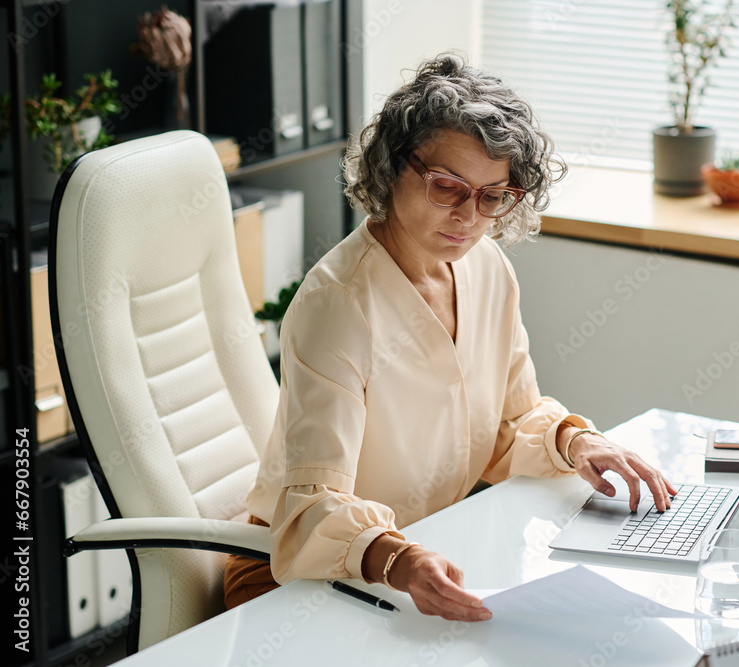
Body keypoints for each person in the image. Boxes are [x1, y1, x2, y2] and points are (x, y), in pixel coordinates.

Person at [223, 53, 676, 622]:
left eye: (493, 197)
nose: (469, 216)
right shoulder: (337, 304)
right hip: (294, 573)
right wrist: (399, 562)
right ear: (391, 168)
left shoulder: (486, 268)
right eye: (447, 187)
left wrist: (575, 442)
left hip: (420, 550)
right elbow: (311, 508)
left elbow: (507, 429)